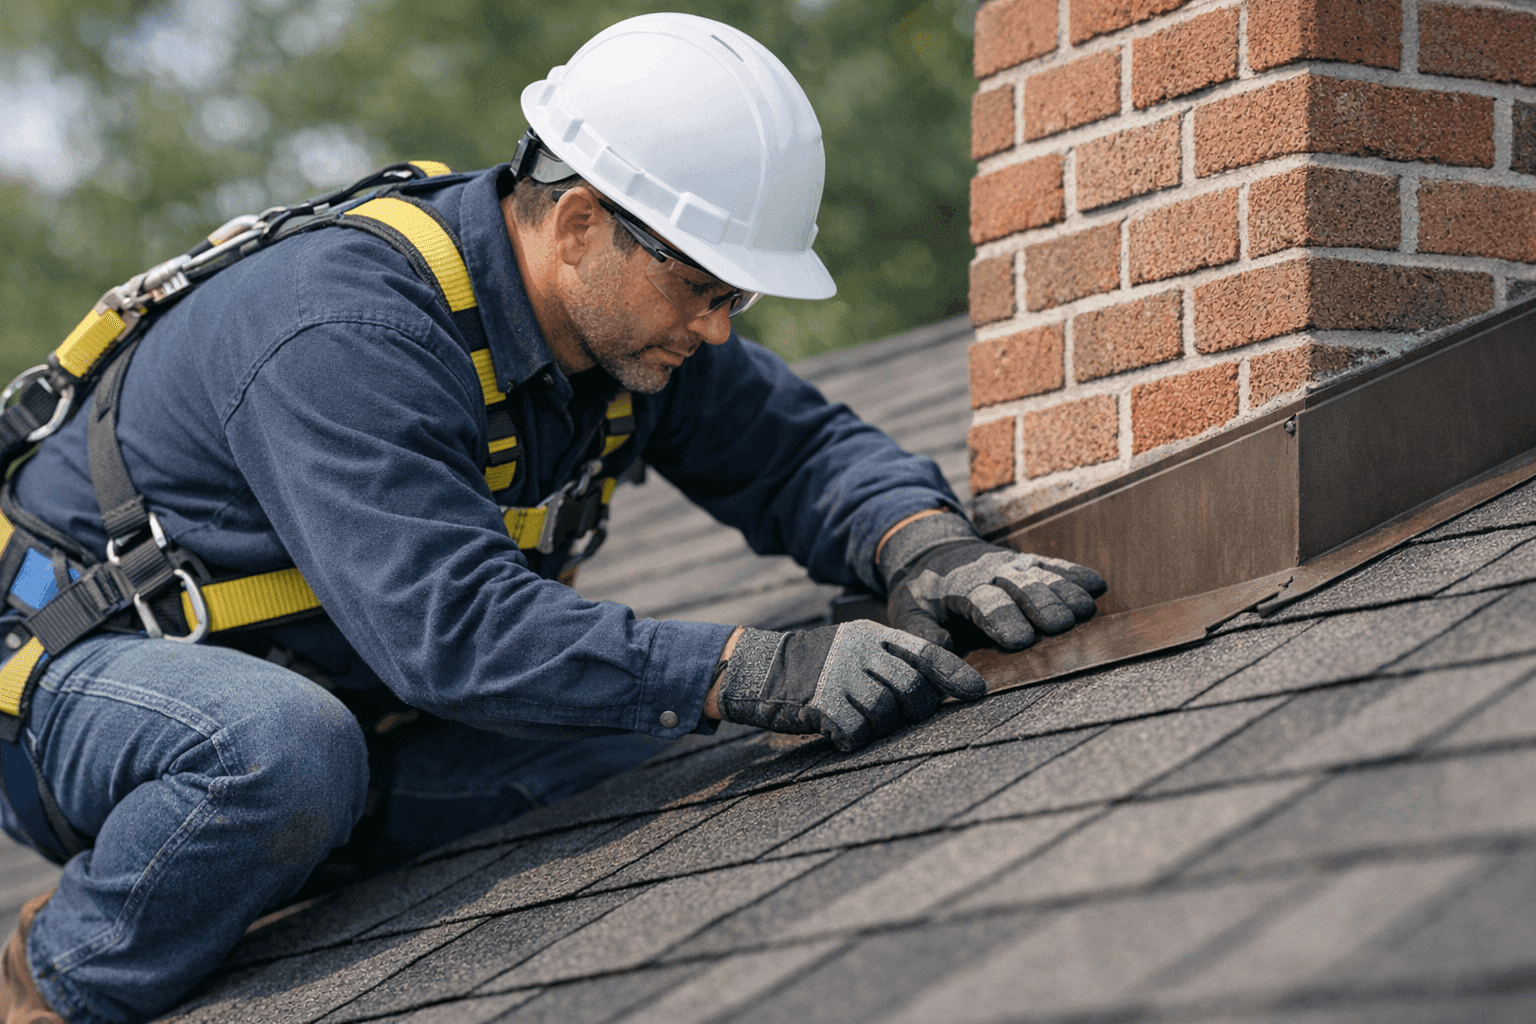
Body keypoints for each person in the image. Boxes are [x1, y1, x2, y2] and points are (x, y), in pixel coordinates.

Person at [0, 13, 1105, 1022]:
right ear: (580, 223)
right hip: (85, 690)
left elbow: (800, 454)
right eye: (704, 289)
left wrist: (923, 544)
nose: (720, 329)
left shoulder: (634, 325)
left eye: (737, 297)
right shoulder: (343, 330)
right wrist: (752, 667)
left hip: (360, 696)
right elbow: (455, 630)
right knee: (280, 752)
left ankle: (288, 846)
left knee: (653, 749)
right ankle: (55, 979)